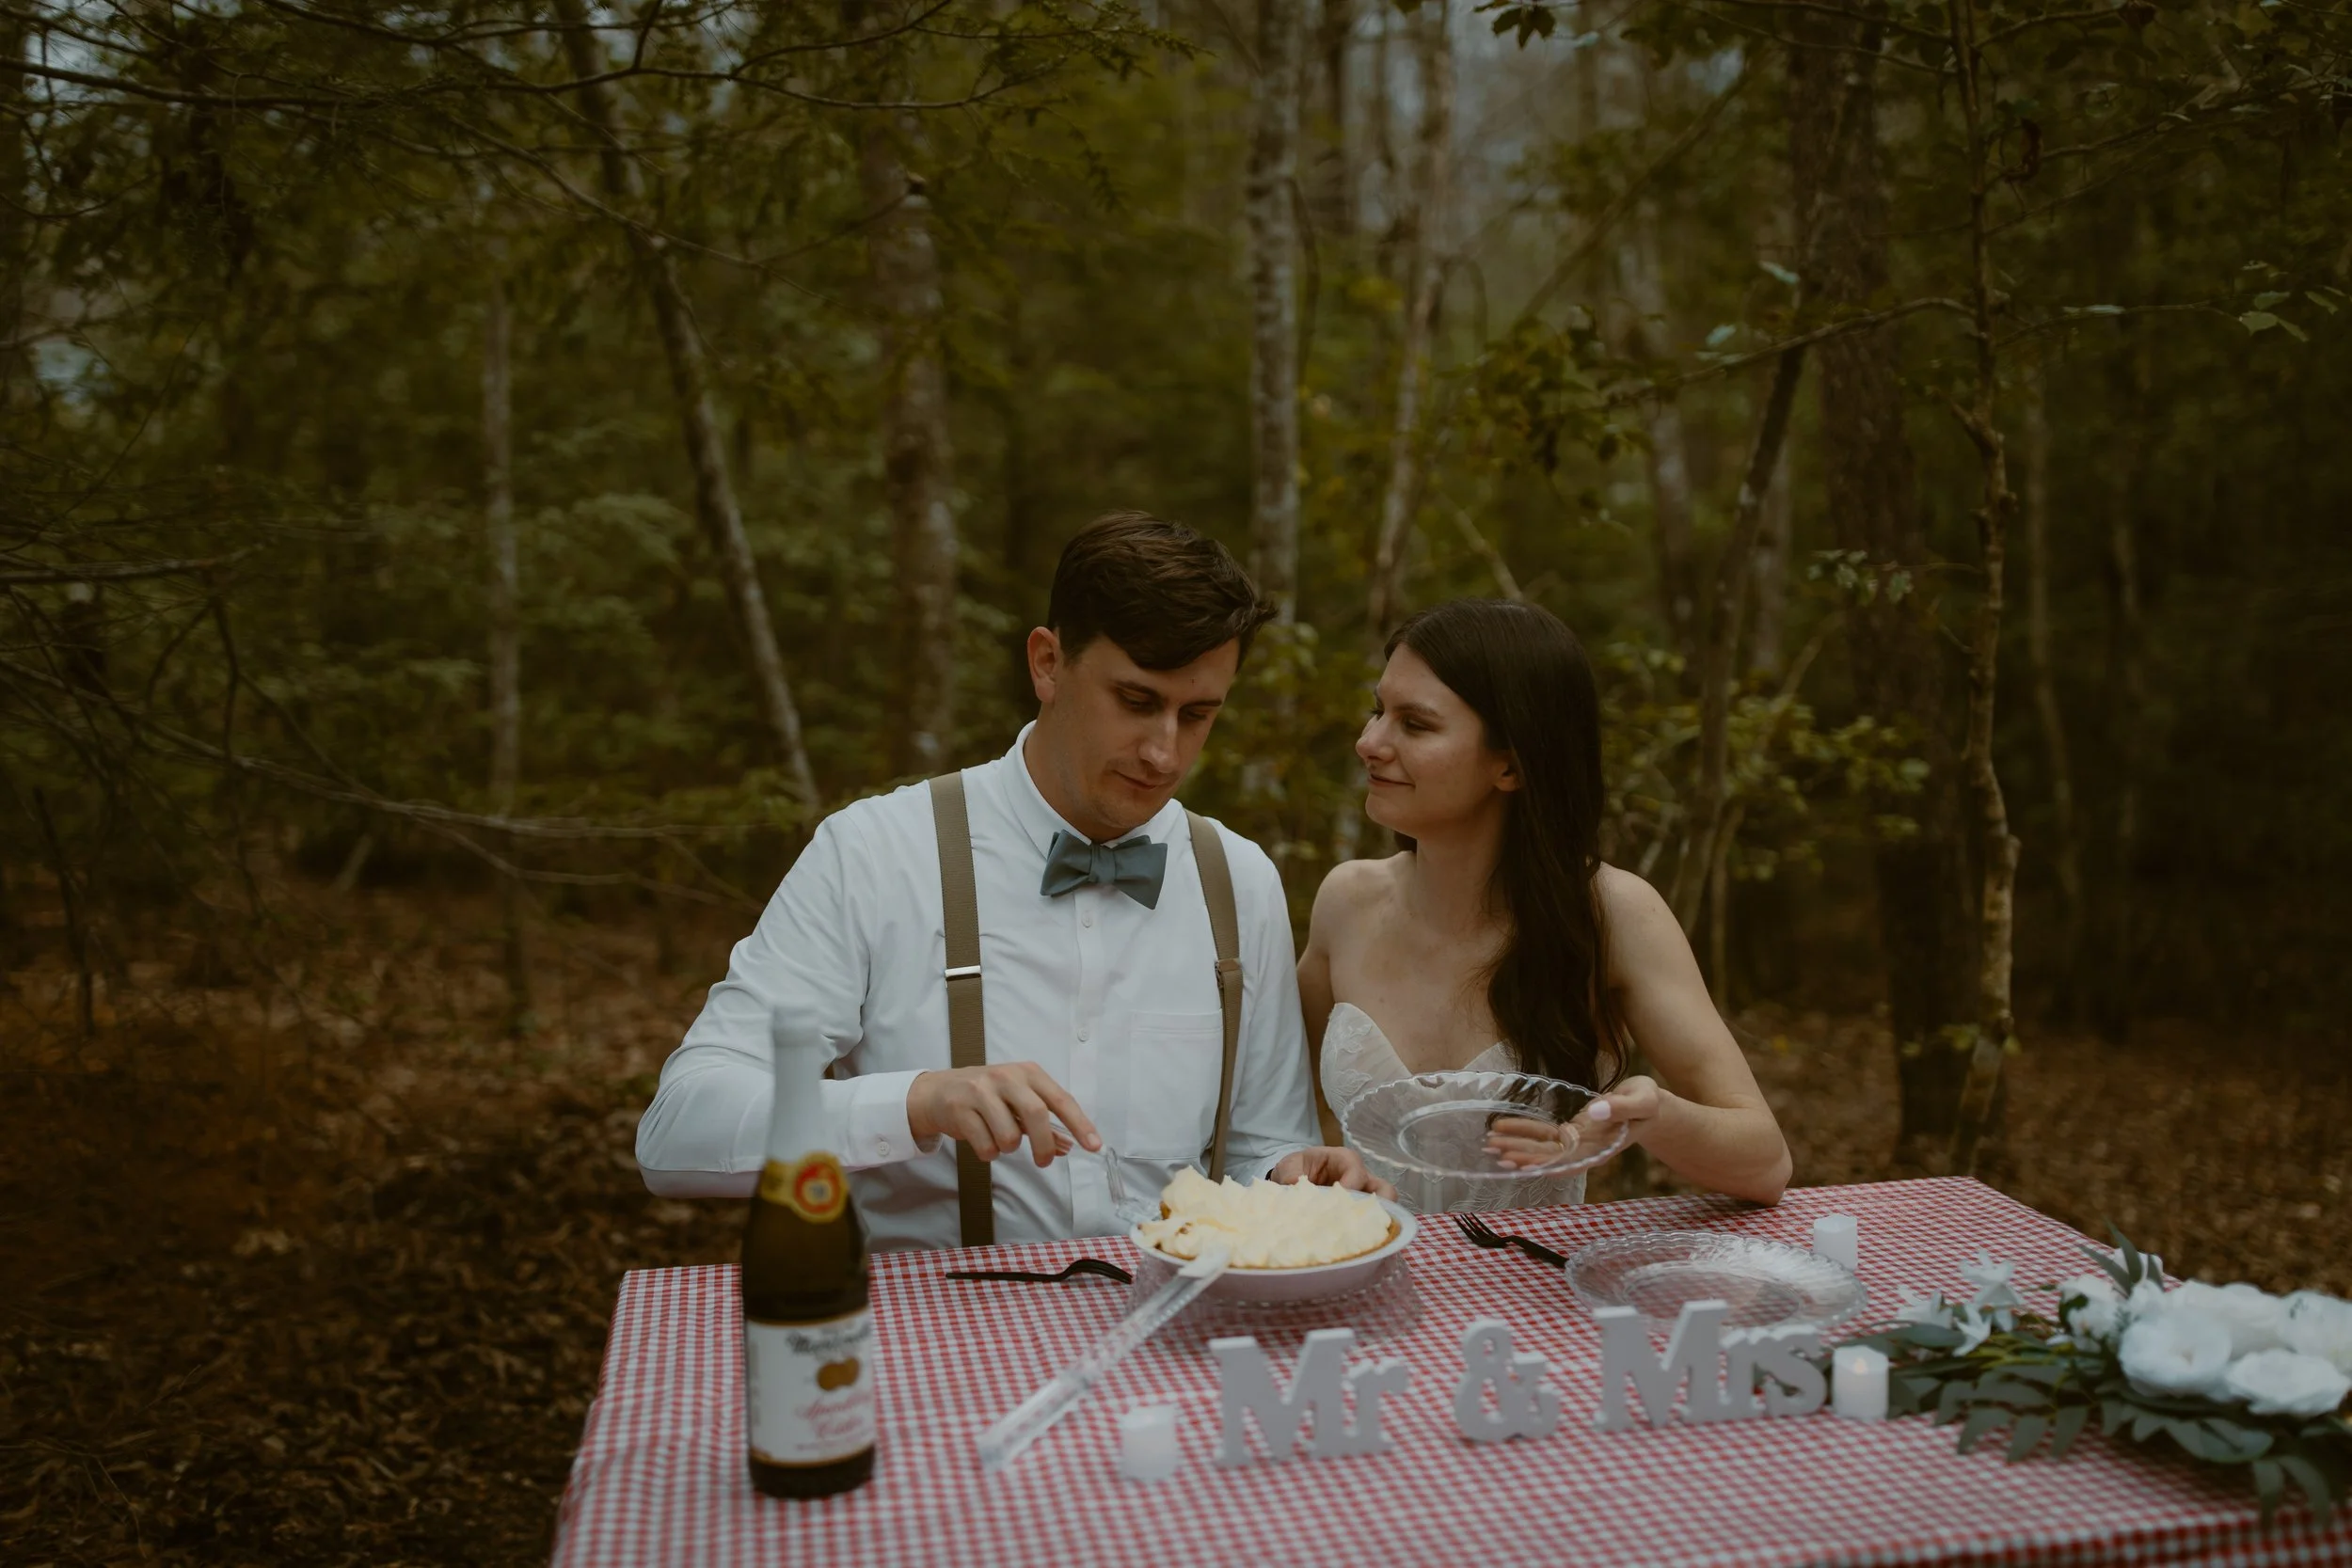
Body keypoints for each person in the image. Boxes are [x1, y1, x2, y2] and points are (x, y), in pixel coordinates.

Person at [635, 511, 1385, 1247]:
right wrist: (915, 1101)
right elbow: (679, 1131)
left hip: (1178, 1336)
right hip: (926, 1341)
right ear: (1047, 663)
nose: (1164, 753)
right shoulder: (874, 851)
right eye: (1136, 701)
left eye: (1197, 715)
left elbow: (1259, 1149)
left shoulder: (1237, 881)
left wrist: (1294, 1180)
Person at [1298, 597, 1790, 1210]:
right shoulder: (1345, 901)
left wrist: (1645, 1114)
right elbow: (1274, 1111)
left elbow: (1765, 1160)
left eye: (1414, 724)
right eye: (1377, 711)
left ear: (1511, 765)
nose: (1368, 741)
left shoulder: (1614, 913)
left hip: (1531, 1294)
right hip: (1356, 1287)